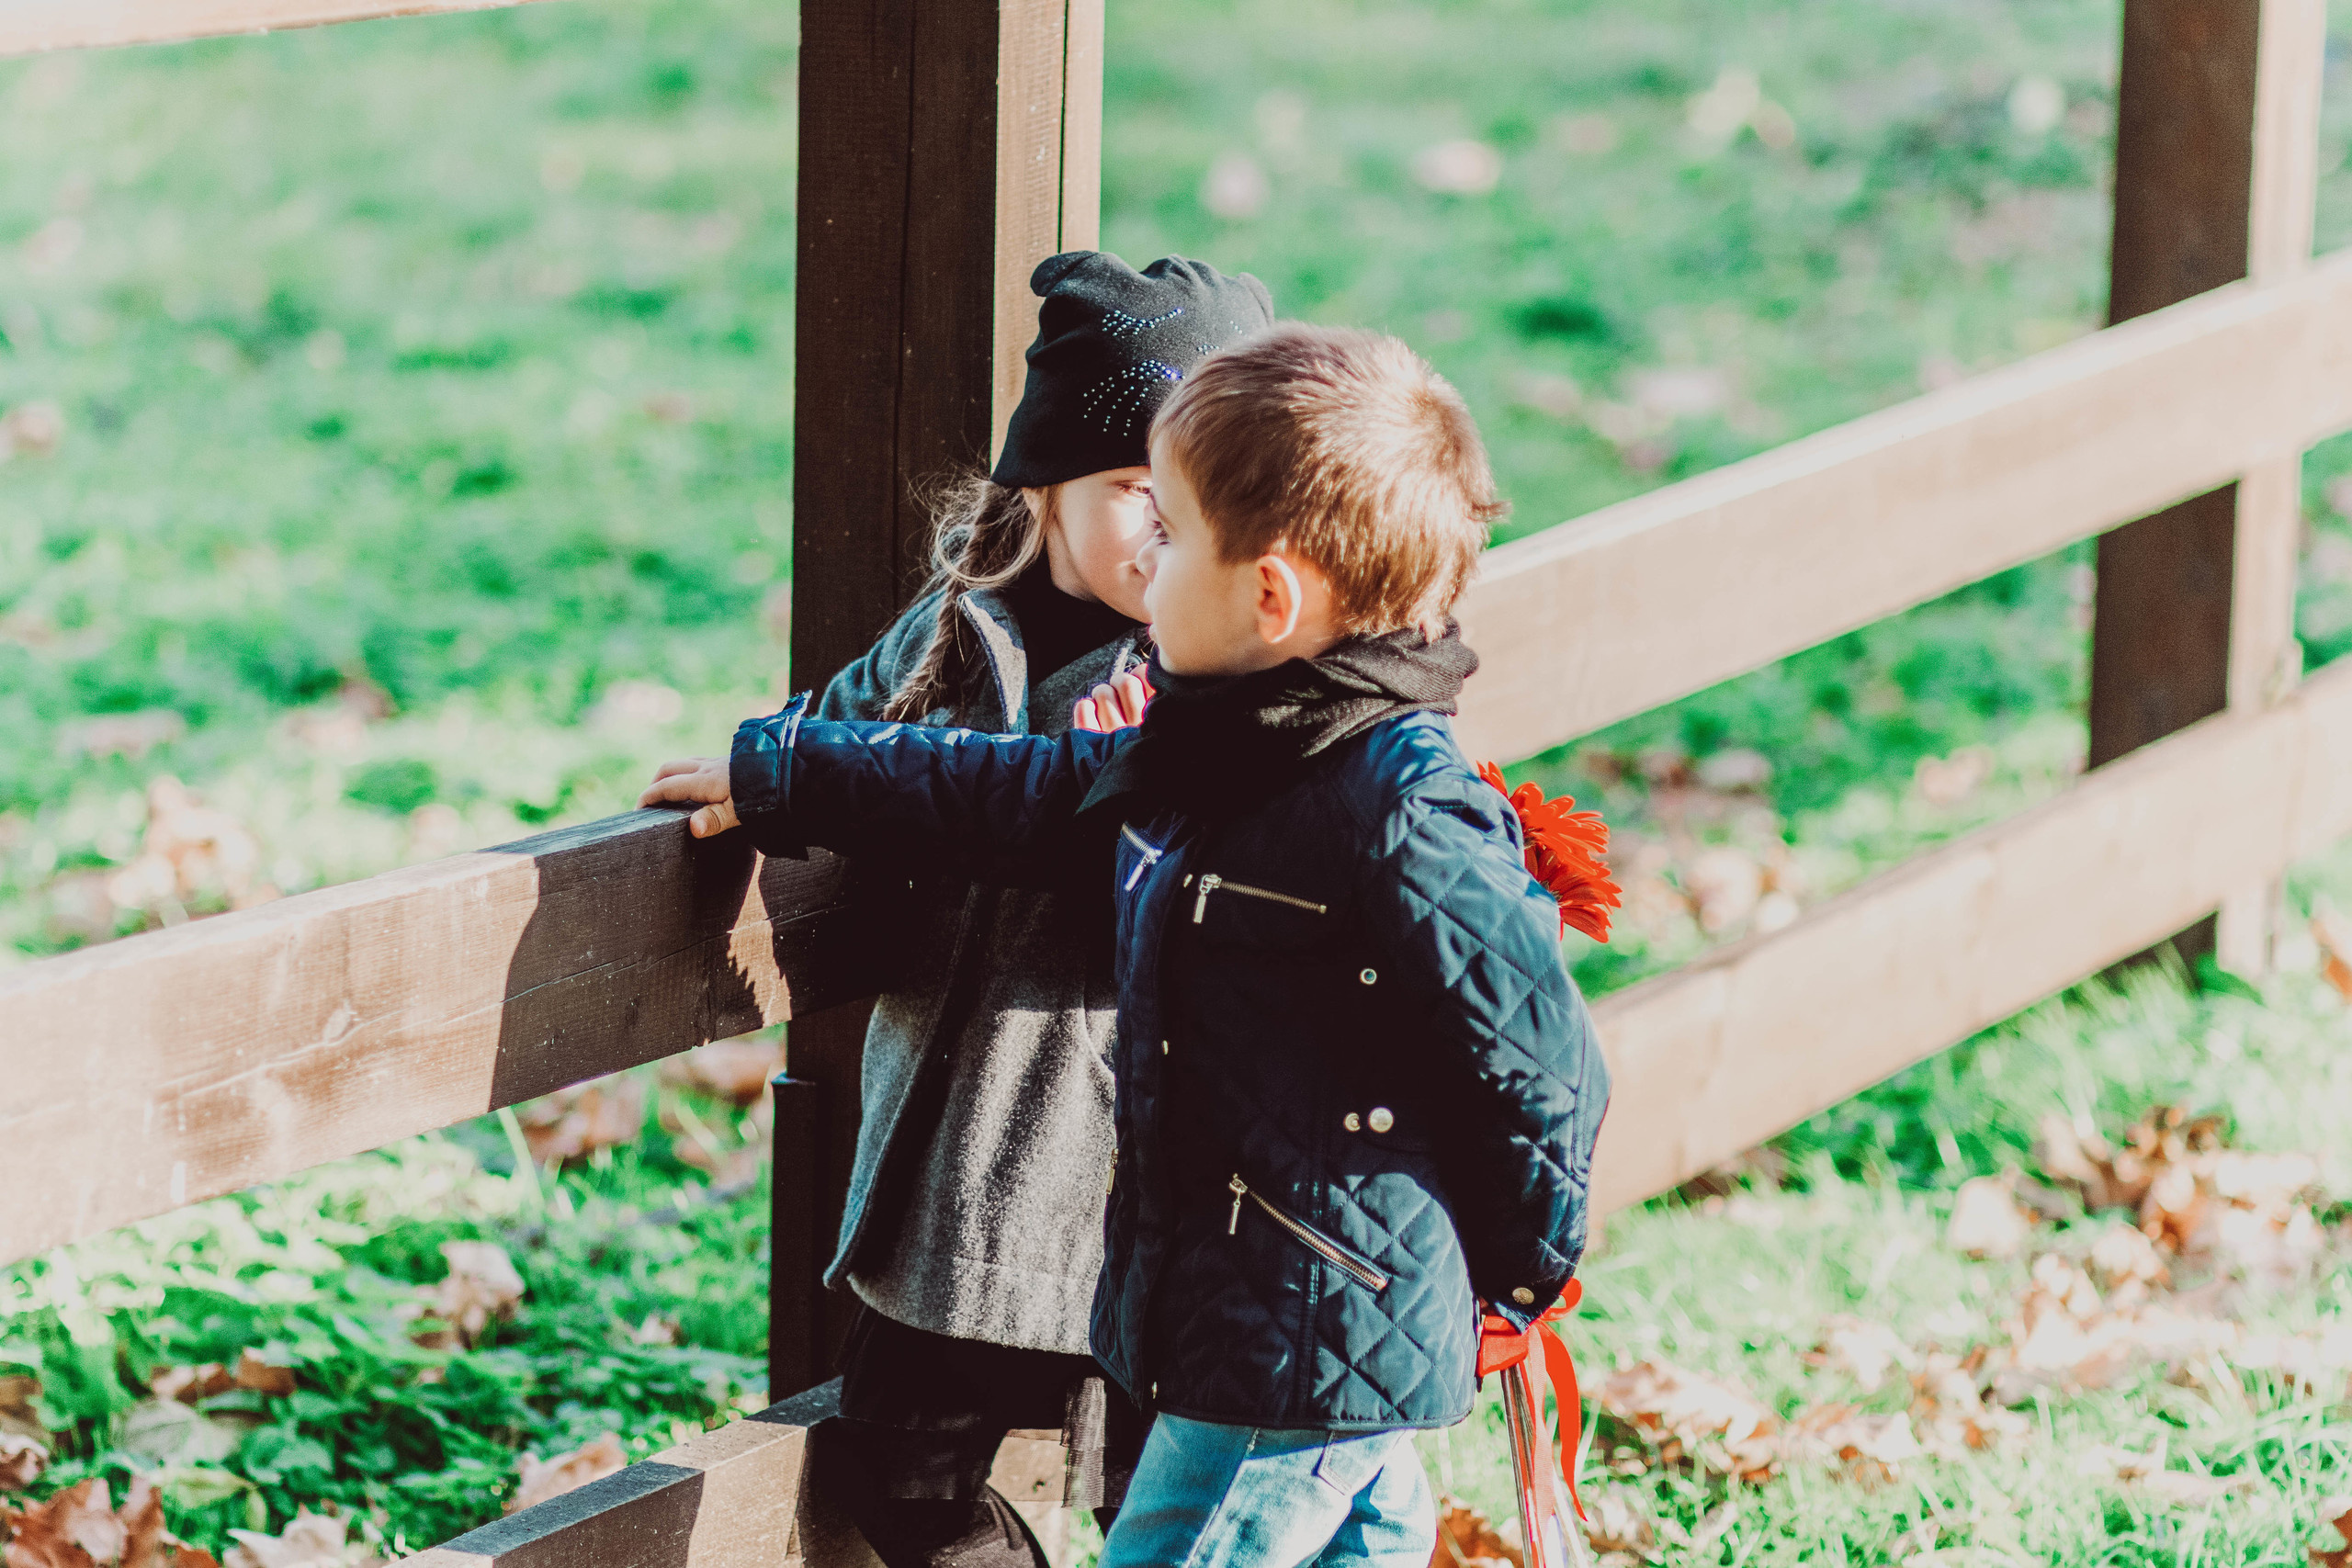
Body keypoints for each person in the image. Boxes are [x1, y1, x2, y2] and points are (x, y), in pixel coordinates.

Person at [645, 323, 1609, 1568]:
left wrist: (1521, 1274)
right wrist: (789, 767)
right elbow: (1015, 792)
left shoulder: (1400, 808)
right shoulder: (1216, 743)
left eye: (1178, 544)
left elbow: (1541, 1062)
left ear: (1270, 596)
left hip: (1297, 1340)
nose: (1150, 578)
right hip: (1258, 1311)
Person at [754, 251, 1272, 1568]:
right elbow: (839, 735)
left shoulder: (1228, 671)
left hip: (1155, 1165)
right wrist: (769, 770)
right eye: (1135, 495)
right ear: (1043, 481)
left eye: (1207, 504)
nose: (1172, 533)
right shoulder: (956, 628)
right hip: (972, 1169)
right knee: (901, 1467)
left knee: (1157, 1495)